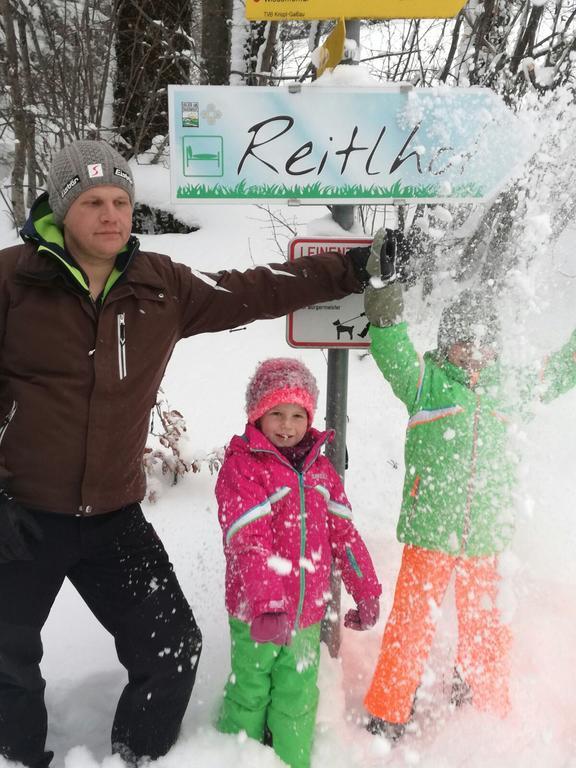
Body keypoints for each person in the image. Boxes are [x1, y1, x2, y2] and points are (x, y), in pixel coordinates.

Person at [0, 140, 374, 768]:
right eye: (92, 202)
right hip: (20, 513)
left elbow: (251, 290)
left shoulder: (159, 283)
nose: (110, 214)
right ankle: (17, 756)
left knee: (172, 645)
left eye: (120, 200)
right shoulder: (12, 282)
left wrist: (349, 269)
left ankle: (137, 759)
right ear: (62, 209)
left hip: (113, 518)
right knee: (7, 656)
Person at [357, 228, 576, 742]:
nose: (473, 352)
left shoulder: (511, 389)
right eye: (463, 340)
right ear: (446, 343)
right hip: (430, 529)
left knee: (486, 627)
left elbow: (562, 371)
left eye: (484, 342)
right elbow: (391, 349)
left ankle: (480, 700)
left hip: (485, 538)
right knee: (410, 625)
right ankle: (390, 707)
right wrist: (384, 292)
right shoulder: (426, 383)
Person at [215, 357, 382, 768]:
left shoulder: (322, 472)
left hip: (305, 617)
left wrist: (367, 590)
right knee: (250, 692)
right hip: (255, 613)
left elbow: (345, 535)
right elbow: (248, 542)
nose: (287, 425)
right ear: (257, 414)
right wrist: (268, 602)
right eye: (276, 414)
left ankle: (292, 761)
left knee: (298, 697)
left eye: (297, 415)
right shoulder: (243, 468)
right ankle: (234, 759)